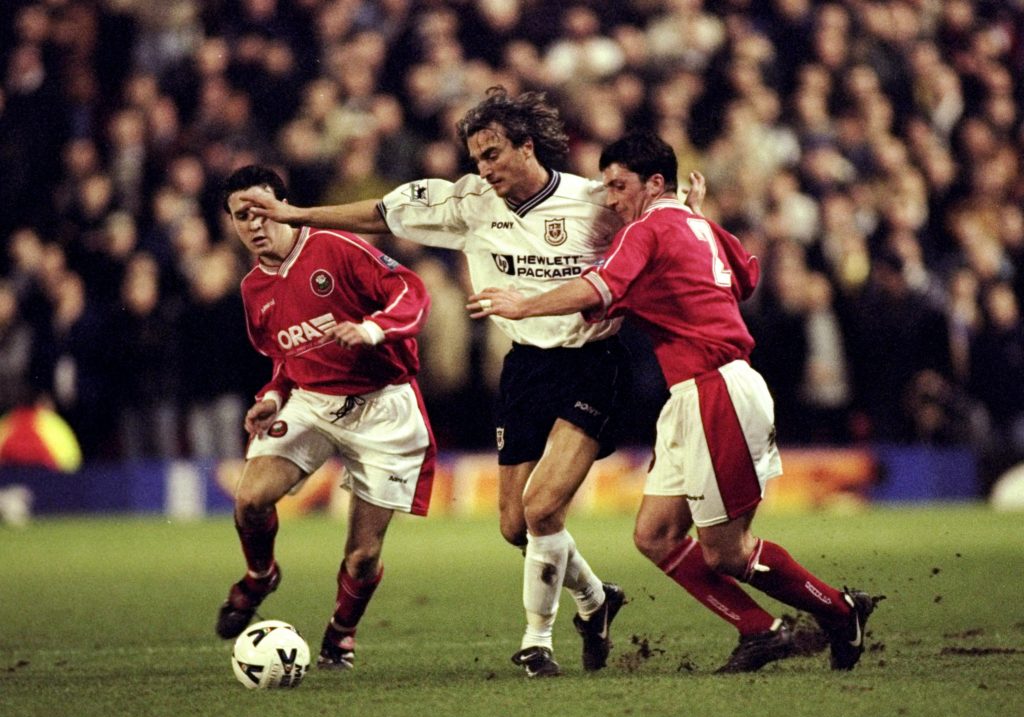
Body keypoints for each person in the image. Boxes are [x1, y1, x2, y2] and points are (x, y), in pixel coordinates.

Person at [243, 87, 627, 677]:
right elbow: (382, 214)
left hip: (592, 362)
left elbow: (657, 234)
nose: (484, 169)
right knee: (513, 525)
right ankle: (596, 600)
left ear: (528, 147)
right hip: (526, 364)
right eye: (476, 158)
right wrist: (298, 216)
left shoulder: (594, 202)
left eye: (494, 154)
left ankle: (538, 640)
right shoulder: (470, 203)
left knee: (544, 506)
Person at [468, 130, 877, 673]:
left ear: (655, 182)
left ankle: (838, 609)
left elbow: (599, 288)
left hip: (718, 391)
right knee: (655, 536)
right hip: (691, 395)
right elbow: (745, 279)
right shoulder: (694, 224)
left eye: (618, 186)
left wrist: (524, 306)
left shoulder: (649, 229)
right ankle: (760, 629)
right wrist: (694, 221)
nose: (610, 199)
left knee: (726, 551)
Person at [216, 164, 436, 672]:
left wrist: (374, 329)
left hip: (383, 406)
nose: (252, 223)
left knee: (361, 555)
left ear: (284, 208)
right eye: (239, 216)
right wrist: (272, 396)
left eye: (261, 210)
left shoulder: (334, 248)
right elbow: (283, 358)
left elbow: (411, 291)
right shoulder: (253, 289)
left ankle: (340, 635)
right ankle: (260, 576)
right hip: (312, 402)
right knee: (250, 499)